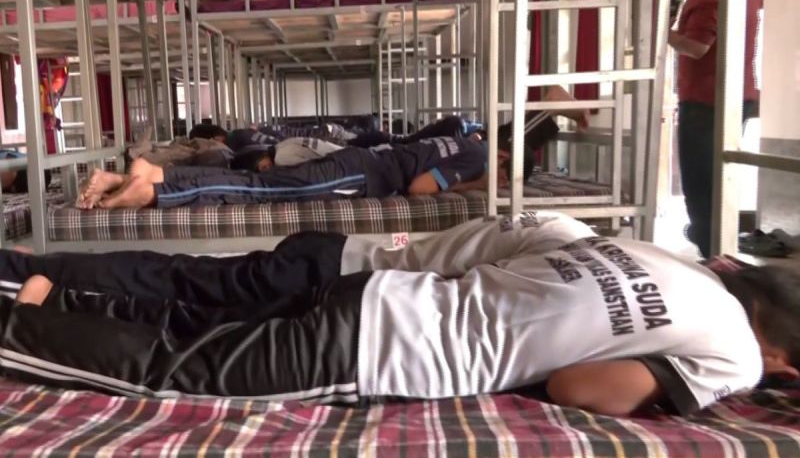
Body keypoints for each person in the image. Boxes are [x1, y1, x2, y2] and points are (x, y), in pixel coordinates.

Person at [1, 212, 797, 415]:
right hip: (386, 347)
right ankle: (19, 328)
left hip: (377, 291)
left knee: (189, 315)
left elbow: (500, 249)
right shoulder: (738, 356)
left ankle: (42, 293)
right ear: (783, 360)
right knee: (176, 369)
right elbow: (580, 389)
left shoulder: (660, 254)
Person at [76, 134, 526, 209]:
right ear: (505, 158)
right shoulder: (477, 160)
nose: (504, 183)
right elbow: (420, 188)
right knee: (257, 189)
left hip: (355, 162)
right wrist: (482, 182)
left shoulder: (468, 141)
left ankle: (139, 177)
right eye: (509, 175)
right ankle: (155, 189)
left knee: (256, 183)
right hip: (358, 178)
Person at [668, 0, 762, 258]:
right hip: (737, 95)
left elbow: (697, 46)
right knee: (719, 183)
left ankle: (714, 257)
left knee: (700, 187)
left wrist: (661, 33)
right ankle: (719, 251)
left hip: (705, 101)